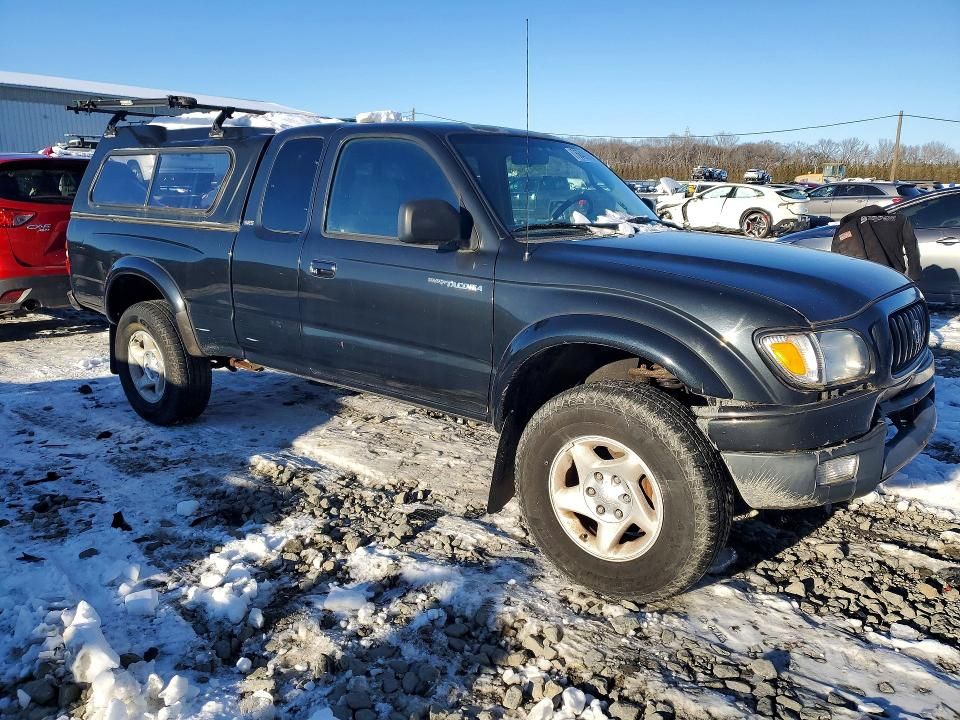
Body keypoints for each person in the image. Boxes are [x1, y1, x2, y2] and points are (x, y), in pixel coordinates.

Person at [831, 204, 922, 281]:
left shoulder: (848, 227)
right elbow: (912, 247)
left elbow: (836, 257)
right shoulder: (899, 220)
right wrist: (914, 275)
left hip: (867, 278)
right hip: (895, 275)